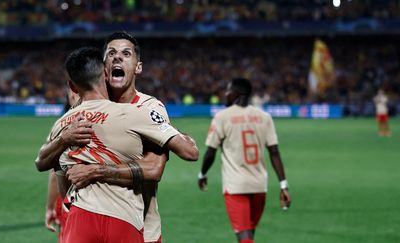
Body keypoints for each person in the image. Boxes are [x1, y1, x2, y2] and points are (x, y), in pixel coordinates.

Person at [37, 31, 194, 243]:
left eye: (126, 54)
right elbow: (57, 162)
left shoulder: (148, 107)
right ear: (103, 68)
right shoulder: (85, 107)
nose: (117, 57)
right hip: (86, 219)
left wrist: (95, 171)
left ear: (138, 67)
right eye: (111, 53)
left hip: (142, 227)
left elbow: (154, 168)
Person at [197, 78, 291, 243]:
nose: (225, 95)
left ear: (236, 94)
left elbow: (210, 152)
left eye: (227, 91)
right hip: (259, 185)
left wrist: (202, 174)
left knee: (245, 237)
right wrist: (283, 185)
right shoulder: (264, 117)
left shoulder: (222, 117)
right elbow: (274, 152)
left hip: (236, 186)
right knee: (249, 233)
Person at [44, 89, 79, 242]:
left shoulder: (64, 125)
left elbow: (54, 172)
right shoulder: (108, 117)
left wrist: (50, 207)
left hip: (70, 197)